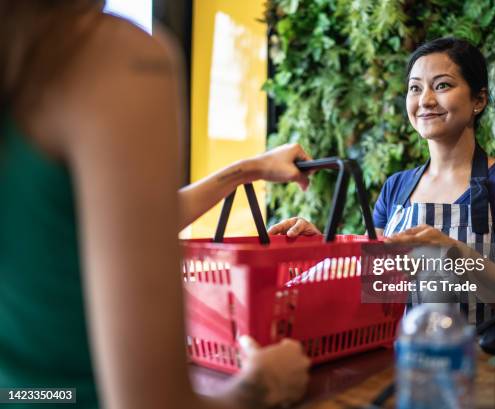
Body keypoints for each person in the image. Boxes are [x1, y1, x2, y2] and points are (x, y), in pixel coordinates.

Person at [0, 2, 310, 408]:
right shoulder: (111, 56)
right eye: (414, 87)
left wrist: (247, 170)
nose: (424, 99)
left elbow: (98, 228)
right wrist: (264, 382)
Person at [270, 38, 495, 320]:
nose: (425, 100)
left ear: (478, 100)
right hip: (397, 354)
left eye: (442, 85)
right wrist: (323, 246)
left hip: (475, 357)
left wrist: (455, 254)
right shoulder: (396, 187)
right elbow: (372, 279)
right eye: (415, 88)